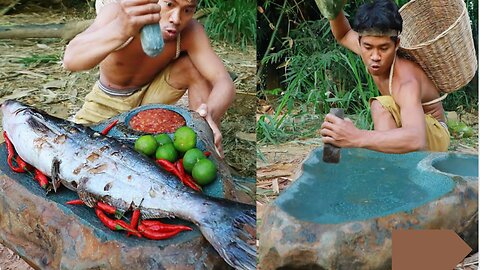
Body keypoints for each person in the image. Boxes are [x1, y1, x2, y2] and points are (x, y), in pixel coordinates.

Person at [62, 0, 235, 157]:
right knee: (74, 152)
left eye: (187, 10)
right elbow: (71, 60)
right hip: (107, 102)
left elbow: (222, 80)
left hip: (152, 99)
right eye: (169, 4)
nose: (176, 18)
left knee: (194, 67)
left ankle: (201, 143)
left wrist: (209, 113)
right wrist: (121, 30)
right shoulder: (120, 12)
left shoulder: (190, 31)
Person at [319, 0, 450, 153]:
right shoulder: (369, 46)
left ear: (396, 44)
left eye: (384, 48)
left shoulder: (406, 81)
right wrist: (333, 12)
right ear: (360, 42)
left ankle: (391, 168)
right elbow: (344, 34)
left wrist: (356, 137)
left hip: (433, 135)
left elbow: (416, 139)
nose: (375, 56)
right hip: (409, 125)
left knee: (380, 105)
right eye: (368, 47)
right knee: (379, 107)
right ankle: (390, 163)